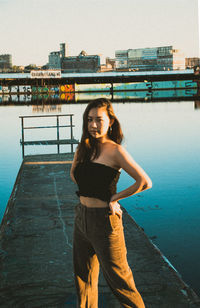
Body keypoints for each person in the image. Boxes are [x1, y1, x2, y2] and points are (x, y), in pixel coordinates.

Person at [70, 98, 152, 308]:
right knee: (84, 281)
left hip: (105, 224)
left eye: (99, 119)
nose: (93, 125)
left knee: (121, 284)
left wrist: (116, 197)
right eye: (89, 120)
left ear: (111, 122)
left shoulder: (115, 151)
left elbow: (144, 182)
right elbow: (73, 175)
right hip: (82, 219)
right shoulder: (83, 149)